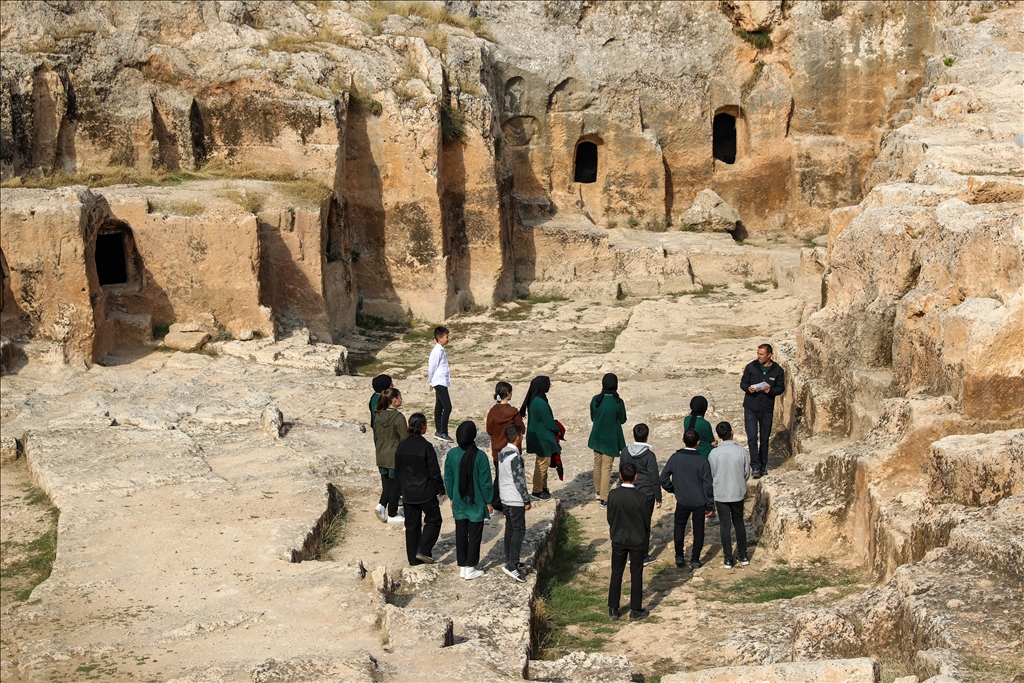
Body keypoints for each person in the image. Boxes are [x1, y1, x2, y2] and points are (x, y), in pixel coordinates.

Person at [443, 421, 493, 580]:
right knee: (475, 535)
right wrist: (489, 501)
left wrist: (451, 496)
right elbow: (486, 482)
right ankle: (471, 567)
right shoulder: (480, 456)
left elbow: (449, 478)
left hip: (458, 500)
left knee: (461, 533)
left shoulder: (452, 454)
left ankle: (463, 565)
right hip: (476, 503)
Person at [395, 413, 446, 565]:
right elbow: (434, 471)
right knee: (434, 520)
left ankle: (413, 559)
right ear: (422, 426)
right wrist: (440, 489)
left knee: (412, 525)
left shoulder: (402, 446)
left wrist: (399, 491)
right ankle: (423, 550)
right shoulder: (426, 446)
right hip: (425, 492)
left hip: (408, 493)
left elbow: (397, 470)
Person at [659, 428, 714, 570]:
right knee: (699, 529)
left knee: (679, 526)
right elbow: (708, 485)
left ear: (683, 440)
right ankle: (695, 559)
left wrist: (673, 489)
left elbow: (663, 478)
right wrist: (710, 504)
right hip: (699, 501)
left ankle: (679, 555)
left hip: (682, 500)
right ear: (698, 442)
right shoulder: (702, 460)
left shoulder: (675, 458)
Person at [606, 462, 650, 621]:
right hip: (637, 540)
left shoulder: (613, 495)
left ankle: (613, 609)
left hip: (618, 538)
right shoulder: (642, 498)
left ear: (620, 476)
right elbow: (646, 521)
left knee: (616, 573)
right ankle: (635, 610)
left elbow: (610, 517)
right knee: (636, 574)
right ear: (636, 477)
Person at [708, 422, 751, 569]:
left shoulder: (714, 453)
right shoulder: (741, 451)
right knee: (739, 522)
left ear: (718, 436)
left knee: (725, 524)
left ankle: (728, 558)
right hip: (737, 491)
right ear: (732, 433)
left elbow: (712, 474)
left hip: (721, 493)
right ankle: (743, 554)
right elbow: (746, 473)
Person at [740, 343, 785, 478]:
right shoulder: (751, 367)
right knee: (752, 437)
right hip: (751, 407)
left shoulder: (778, 370)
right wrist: (748, 388)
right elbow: (743, 383)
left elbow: (781, 388)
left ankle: (763, 465)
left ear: (769, 355)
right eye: (758, 353)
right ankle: (755, 466)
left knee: (764, 439)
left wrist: (770, 390)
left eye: (761, 354)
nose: (758, 356)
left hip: (766, 409)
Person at [619, 423, 661, 566]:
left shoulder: (625, 452)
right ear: (647, 436)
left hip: (628, 492)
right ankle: (643, 555)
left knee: (629, 522)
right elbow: (654, 477)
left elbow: (621, 472)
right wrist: (658, 497)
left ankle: (630, 553)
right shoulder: (649, 455)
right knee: (644, 525)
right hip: (646, 494)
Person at [497, 424, 532, 582]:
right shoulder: (516, 457)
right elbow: (519, 481)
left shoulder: (502, 453)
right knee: (519, 530)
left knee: (510, 529)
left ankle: (511, 559)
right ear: (518, 438)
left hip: (505, 497)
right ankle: (511, 564)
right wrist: (526, 499)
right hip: (515, 498)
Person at [588, 373, 627, 510]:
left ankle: (598, 491)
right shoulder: (618, 402)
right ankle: (604, 498)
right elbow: (622, 420)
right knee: (606, 468)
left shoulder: (595, 400)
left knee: (597, 464)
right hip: (610, 439)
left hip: (597, 437)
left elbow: (593, 417)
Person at [486, 381, 526, 511]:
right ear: (508, 394)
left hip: (497, 450)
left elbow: (489, 430)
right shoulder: (513, 412)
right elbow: (522, 429)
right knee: (514, 476)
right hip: (512, 449)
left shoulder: (492, 412)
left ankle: (496, 503)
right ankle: (511, 503)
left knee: (499, 476)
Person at [520, 376, 560, 500]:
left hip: (537, 436)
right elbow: (549, 422)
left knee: (542, 463)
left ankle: (543, 487)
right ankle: (537, 490)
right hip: (543, 438)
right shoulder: (541, 403)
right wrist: (558, 429)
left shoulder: (535, 399)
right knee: (542, 465)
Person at [373, 387, 406, 524]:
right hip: (394, 455)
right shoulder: (398, 417)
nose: (401, 398)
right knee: (394, 486)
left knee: (386, 483)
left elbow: (375, 434)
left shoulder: (379, 416)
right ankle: (392, 513)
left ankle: (381, 506)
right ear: (394, 400)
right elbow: (404, 438)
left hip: (381, 453)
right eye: (400, 396)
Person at [428, 326, 453, 443]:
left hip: (441, 381)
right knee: (447, 406)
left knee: (439, 406)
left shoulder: (441, 350)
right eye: (446, 337)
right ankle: (443, 432)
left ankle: (439, 431)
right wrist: (430, 381)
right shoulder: (437, 351)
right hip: (439, 382)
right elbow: (432, 367)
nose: (448, 339)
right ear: (440, 339)